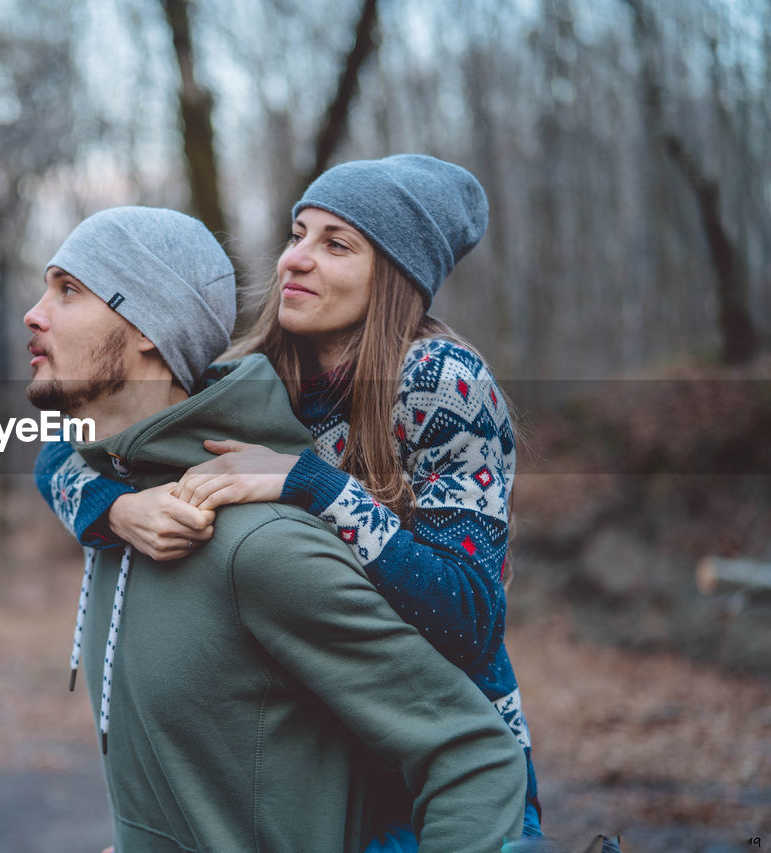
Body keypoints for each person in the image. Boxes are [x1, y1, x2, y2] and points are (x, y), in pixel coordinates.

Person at [33, 155, 543, 845]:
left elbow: (472, 621)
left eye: (335, 245)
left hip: (447, 765)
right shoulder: (264, 369)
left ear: (394, 273)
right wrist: (116, 511)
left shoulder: (441, 383)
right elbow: (69, 444)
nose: (294, 261)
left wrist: (314, 484)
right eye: (297, 233)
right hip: (328, 745)